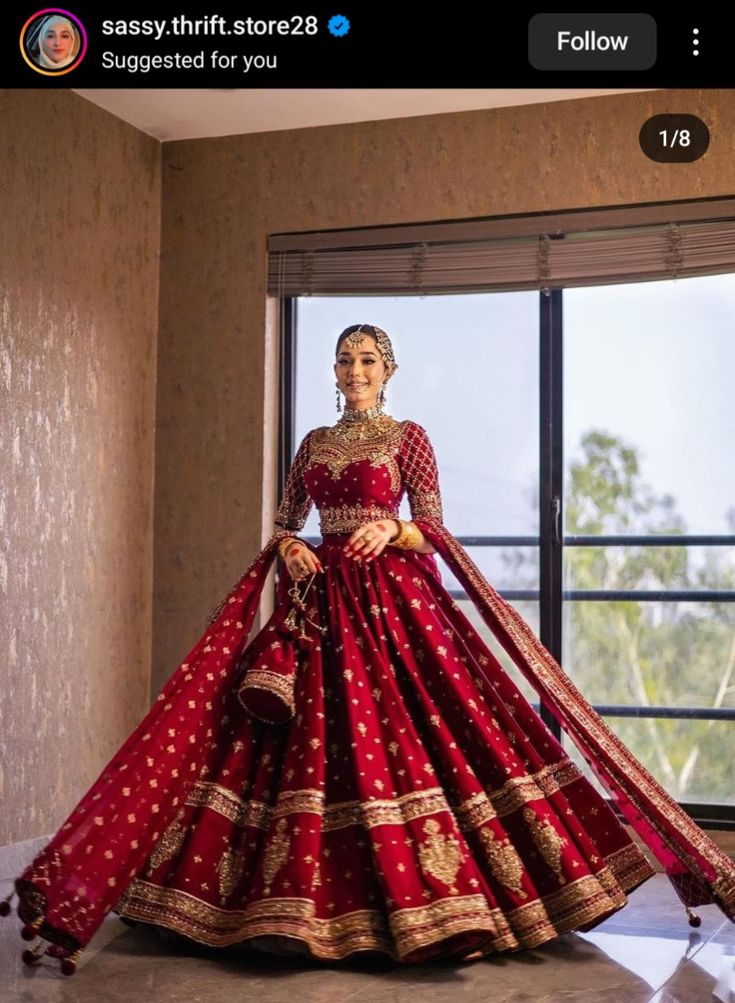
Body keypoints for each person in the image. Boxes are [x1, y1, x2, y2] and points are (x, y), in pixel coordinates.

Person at [4, 324, 734, 976]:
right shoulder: (313, 445)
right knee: (296, 743)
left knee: (431, 730)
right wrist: (290, 549)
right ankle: (276, 906)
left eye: (367, 359)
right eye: (345, 359)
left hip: (393, 604)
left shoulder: (407, 435)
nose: (354, 369)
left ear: (388, 370)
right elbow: (285, 522)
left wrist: (393, 530)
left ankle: (445, 904)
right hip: (317, 602)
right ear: (335, 370)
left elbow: (435, 526)